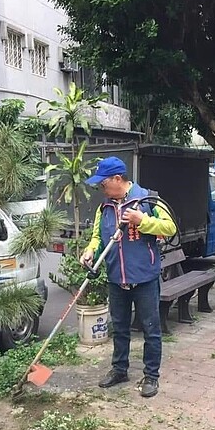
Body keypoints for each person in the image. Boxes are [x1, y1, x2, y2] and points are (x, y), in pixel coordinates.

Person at [80, 156, 177, 397]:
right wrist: (90, 250)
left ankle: (151, 376)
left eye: (104, 183)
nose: (102, 188)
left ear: (117, 179)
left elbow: (170, 227)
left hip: (144, 278)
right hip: (116, 278)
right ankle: (119, 369)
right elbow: (97, 237)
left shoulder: (148, 199)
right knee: (120, 328)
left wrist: (141, 220)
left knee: (150, 328)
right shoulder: (105, 208)